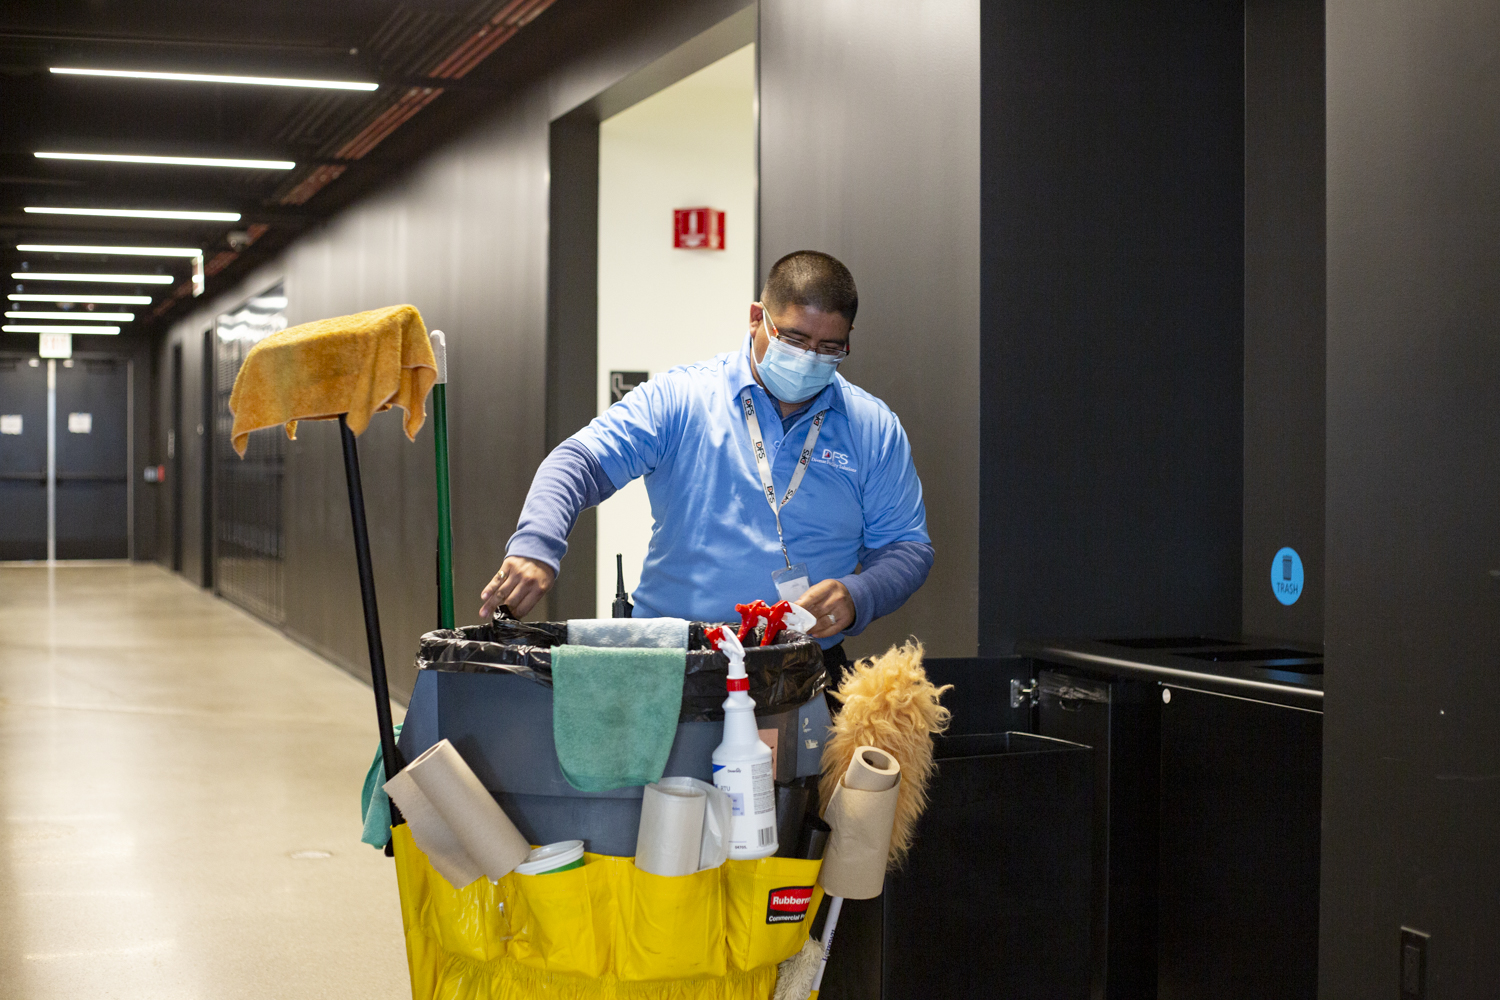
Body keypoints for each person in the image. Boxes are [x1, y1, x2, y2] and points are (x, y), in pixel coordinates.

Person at [479, 250, 932, 671]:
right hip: (673, 661)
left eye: (829, 348)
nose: (809, 359)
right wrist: (537, 547)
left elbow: (906, 547)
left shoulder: (872, 427)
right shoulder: (682, 398)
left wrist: (859, 594)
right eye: (795, 339)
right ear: (757, 318)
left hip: (801, 665)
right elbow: (577, 462)